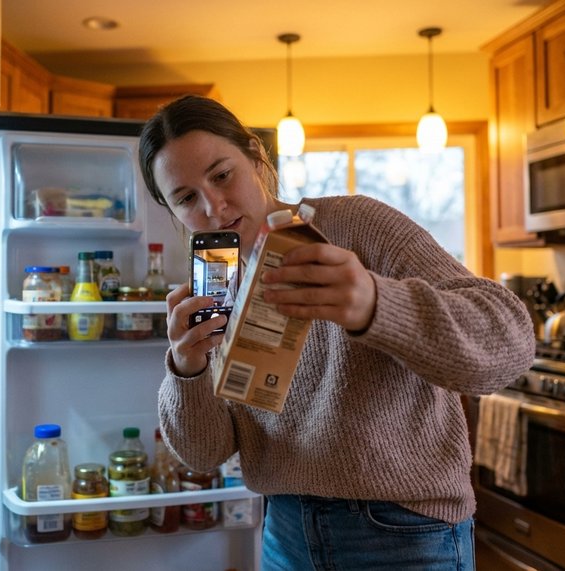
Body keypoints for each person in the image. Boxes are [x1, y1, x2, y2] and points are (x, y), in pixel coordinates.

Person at [138, 95, 535, 570]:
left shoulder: (356, 225)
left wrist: (375, 303)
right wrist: (187, 368)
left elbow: (509, 342)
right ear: (171, 208)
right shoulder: (216, 290)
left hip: (402, 531)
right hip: (285, 532)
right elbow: (205, 453)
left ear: (254, 155)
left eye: (222, 175)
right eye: (186, 198)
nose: (214, 206)